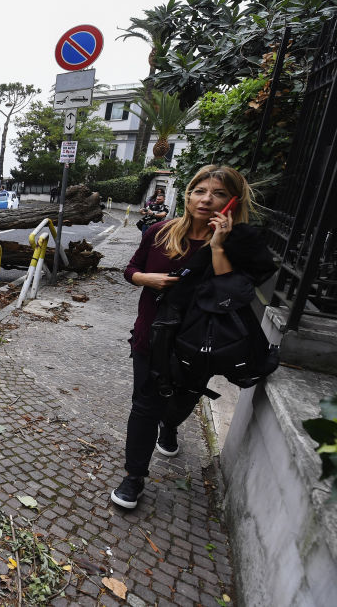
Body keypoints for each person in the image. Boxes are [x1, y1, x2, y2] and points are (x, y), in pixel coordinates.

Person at [110, 165, 276, 509]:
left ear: (232, 202)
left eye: (218, 194)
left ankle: (169, 425)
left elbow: (232, 293)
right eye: (200, 191)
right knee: (144, 406)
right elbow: (130, 269)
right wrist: (146, 279)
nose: (206, 200)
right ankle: (134, 477)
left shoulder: (242, 244)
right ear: (187, 195)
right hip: (153, 336)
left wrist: (217, 247)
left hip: (201, 343)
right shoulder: (159, 231)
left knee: (182, 402)